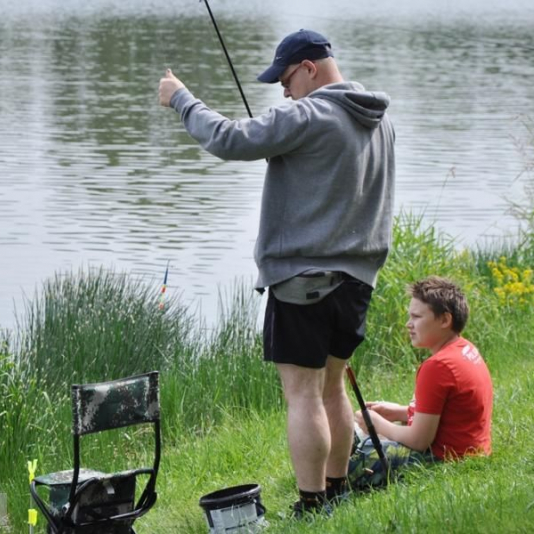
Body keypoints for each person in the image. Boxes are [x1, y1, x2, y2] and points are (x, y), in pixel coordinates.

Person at [159, 29, 396, 516]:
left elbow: (228, 138)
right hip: (357, 282)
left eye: (286, 79)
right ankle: (335, 491)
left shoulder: (310, 114)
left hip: (304, 282)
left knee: (302, 394)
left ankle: (311, 504)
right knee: (331, 388)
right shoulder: (378, 121)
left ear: (310, 68)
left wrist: (181, 100)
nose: (283, 91)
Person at [348, 276, 494, 490]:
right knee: (372, 435)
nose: (409, 324)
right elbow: (450, 414)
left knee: (357, 450)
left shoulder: (438, 366)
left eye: (416, 317)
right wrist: (399, 412)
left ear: (445, 320)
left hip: (445, 461)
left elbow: (419, 441)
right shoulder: (465, 349)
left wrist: (377, 424)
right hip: (471, 452)